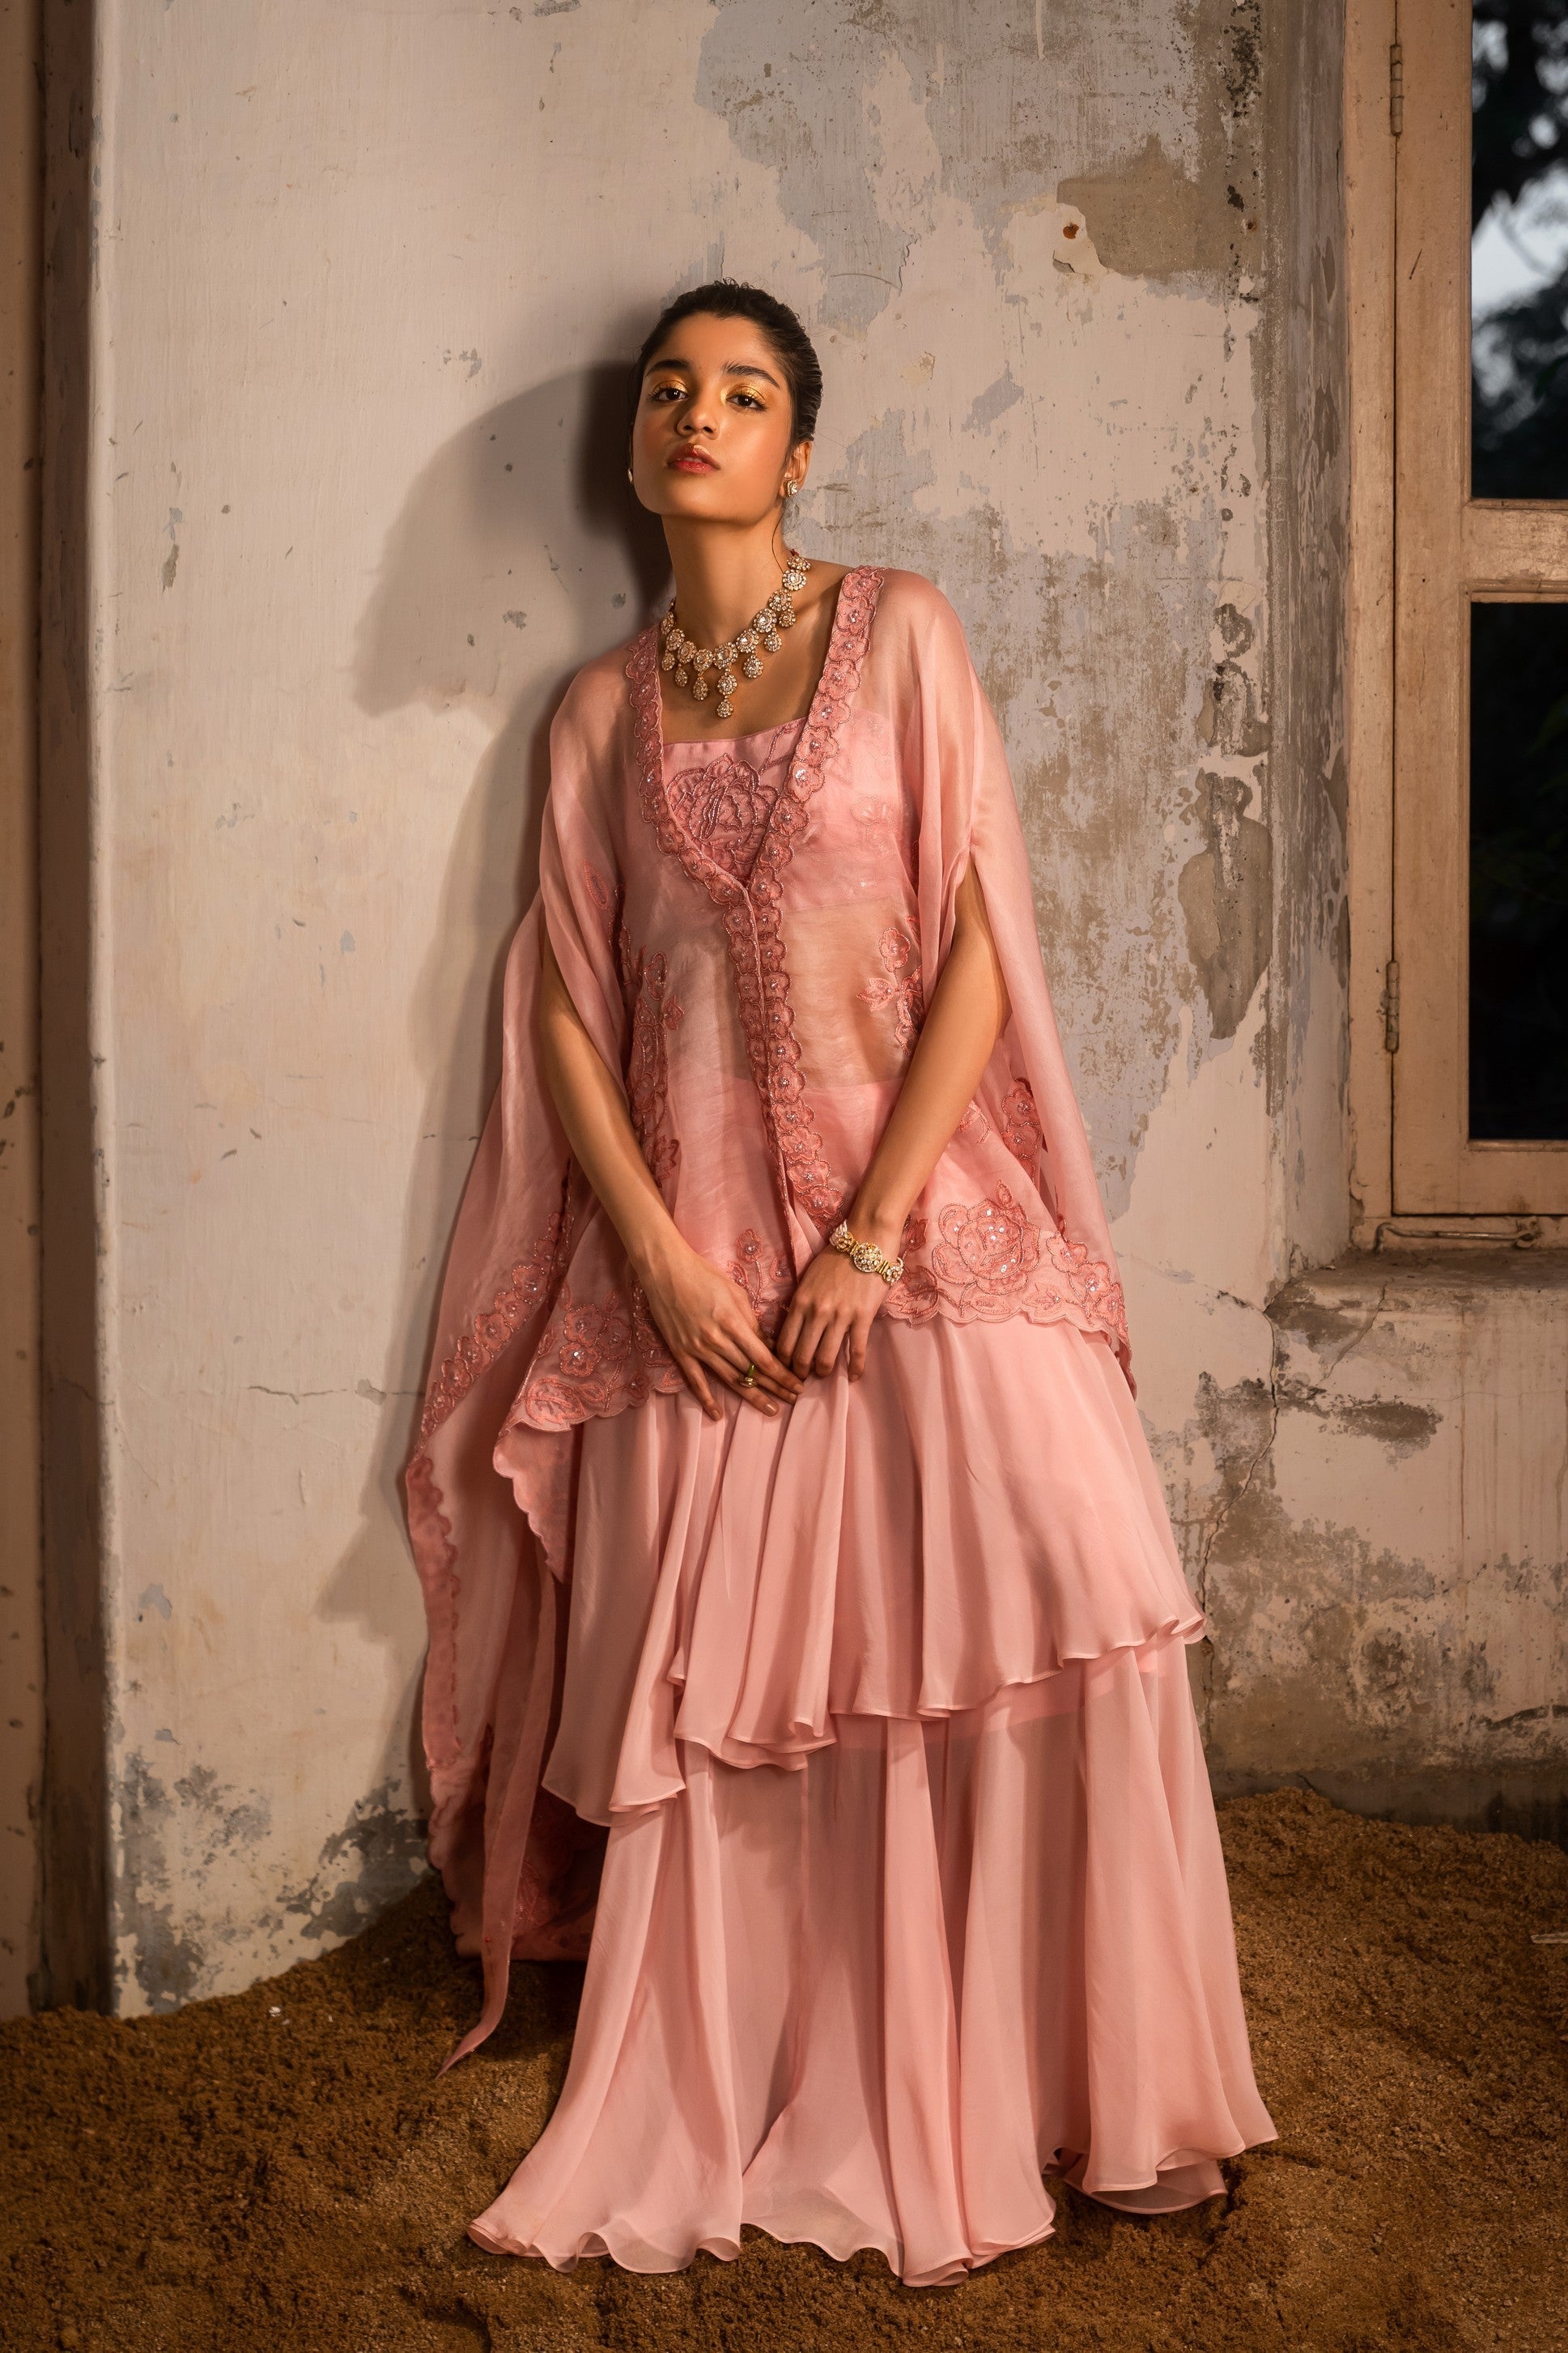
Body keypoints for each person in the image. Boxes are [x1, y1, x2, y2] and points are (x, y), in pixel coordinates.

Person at [403, 279, 1277, 2290]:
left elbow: (974, 936)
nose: (700, 413)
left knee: (1077, 1598)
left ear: (803, 447)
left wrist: (879, 1231)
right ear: (639, 451)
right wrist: (641, 1249)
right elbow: (565, 1001)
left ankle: (1091, 2077)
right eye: (670, 391)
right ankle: (789, 2073)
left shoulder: (900, 634)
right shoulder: (600, 718)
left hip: (927, 1234)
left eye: (747, 391)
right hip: (696, 1284)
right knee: (741, 1716)